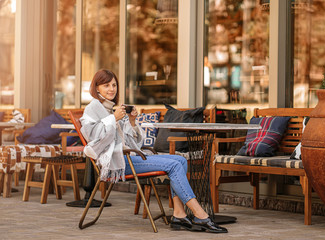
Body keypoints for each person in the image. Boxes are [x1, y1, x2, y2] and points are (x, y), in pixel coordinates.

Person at [80, 69, 228, 234]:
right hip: (117, 163)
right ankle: (200, 214)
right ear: (97, 88)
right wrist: (113, 119)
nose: (111, 89)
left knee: (180, 160)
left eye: (114, 85)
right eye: (106, 85)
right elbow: (92, 136)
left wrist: (132, 120)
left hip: (128, 158)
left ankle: (179, 214)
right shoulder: (93, 109)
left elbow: (135, 142)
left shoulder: (112, 108)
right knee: (174, 165)